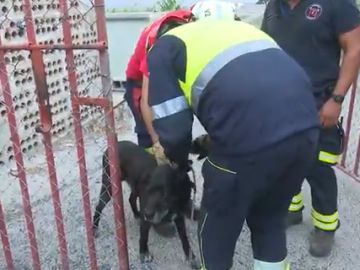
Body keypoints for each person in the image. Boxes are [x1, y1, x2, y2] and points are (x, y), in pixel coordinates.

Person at [146, 19, 320, 270]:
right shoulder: (231, 30)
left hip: (244, 149)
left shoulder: (162, 49)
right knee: (269, 221)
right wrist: (211, 140)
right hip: (305, 133)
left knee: (216, 232)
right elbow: (256, 95)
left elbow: (173, 131)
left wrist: (179, 162)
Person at [261, 0, 360, 257]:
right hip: (279, 104)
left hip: (319, 106)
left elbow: (355, 48)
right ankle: (292, 210)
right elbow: (264, 47)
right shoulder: (273, 6)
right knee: (284, 160)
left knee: (317, 167)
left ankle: (325, 226)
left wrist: (336, 100)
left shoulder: (336, 4)